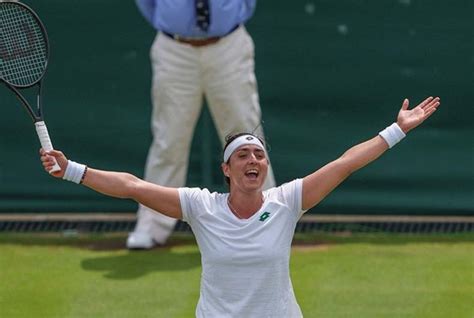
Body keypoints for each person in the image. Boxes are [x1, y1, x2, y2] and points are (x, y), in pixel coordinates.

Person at [40, 97, 440, 317]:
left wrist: (397, 130)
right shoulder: (200, 206)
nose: (253, 161)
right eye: (243, 155)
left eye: (259, 155)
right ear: (227, 169)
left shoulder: (288, 201)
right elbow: (132, 187)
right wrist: (72, 170)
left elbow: (345, 163)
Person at [128, 0, 276, 249]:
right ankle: (152, 225)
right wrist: (168, 21)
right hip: (173, 48)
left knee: (247, 137)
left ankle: (267, 220)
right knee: (169, 139)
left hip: (229, 45)